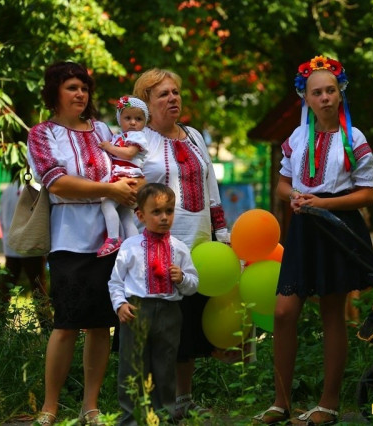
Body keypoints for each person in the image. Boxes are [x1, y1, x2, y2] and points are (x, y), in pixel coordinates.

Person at [253, 55, 373, 425]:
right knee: (283, 311)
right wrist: (294, 197)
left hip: (338, 227)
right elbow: (282, 185)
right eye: (317, 92)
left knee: (332, 314)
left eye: (330, 91)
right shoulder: (297, 137)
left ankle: (329, 404)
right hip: (304, 227)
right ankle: (281, 403)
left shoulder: (354, 138)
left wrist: (323, 203)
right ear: (305, 97)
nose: (324, 98)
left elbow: (367, 195)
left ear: (340, 94)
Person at [27, 61, 140, 426]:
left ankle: (90, 406)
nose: (80, 94)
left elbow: (129, 166)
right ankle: (49, 406)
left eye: (84, 88)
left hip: (111, 238)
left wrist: (130, 185)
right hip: (68, 239)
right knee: (66, 324)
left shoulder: (104, 129)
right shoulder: (42, 134)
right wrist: (111, 189)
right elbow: (56, 182)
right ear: (54, 92)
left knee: (100, 324)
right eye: (71, 87)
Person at [132, 68, 230, 419]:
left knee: (186, 326)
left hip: (198, 244)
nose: (173, 98)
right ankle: (150, 403)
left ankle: (183, 400)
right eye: (163, 94)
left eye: (175, 92)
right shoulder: (137, 141)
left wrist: (222, 235)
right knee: (157, 328)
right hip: (155, 246)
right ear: (145, 103)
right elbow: (129, 191)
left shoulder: (194, 136)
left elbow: (211, 189)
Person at [109, 183, 199, 425]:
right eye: (156, 212)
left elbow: (193, 285)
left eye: (169, 211)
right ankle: (132, 418)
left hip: (170, 312)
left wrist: (182, 278)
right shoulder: (130, 246)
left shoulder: (180, 248)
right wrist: (120, 304)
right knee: (132, 366)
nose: (164, 217)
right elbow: (115, 281)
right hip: (136, 311)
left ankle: (163, 416)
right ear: (140, 215)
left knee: (165, 365)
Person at [97, 95, 149, 257]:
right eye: (128, 118)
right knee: (126, 216)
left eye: (138, 119)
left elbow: (129, 153)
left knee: (107, 204)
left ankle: (113, 238)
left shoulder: (137, 136)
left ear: (145, 122)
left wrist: (109, 148)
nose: (133, 122)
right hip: (125, 177)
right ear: (120, 119)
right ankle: (135, 246)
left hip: (127, 176)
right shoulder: (120, 136)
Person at [0, 180, 50, 326]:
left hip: (12, 245)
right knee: (38, 287)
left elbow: (1, 217)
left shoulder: (7, 190)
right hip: (31, 247)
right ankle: (45, 323)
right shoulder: (36, 188)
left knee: (6, 287)